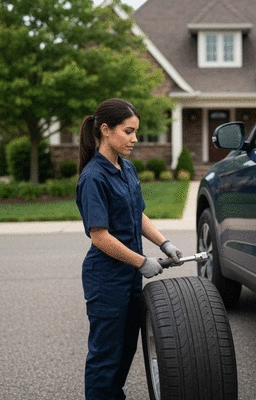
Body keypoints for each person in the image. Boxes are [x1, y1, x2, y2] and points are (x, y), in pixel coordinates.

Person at [75, 98, 183, 399]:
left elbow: (137, 215)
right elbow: (99, 236)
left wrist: (163, 242)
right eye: (128, 131)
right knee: (105, 354)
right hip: (106, 277)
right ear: (106, 130)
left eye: (136, 132)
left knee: (126, 349)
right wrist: (141, 261)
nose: (135, 139)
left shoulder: (127, 168)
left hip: (130, 273)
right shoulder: (93, 177)